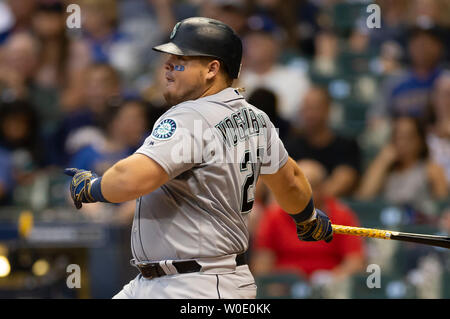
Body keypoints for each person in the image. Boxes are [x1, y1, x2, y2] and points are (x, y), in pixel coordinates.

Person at [64, 17, 333, 299]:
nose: (167, 65)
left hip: (192, 287)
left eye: (180, 59)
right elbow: (290, 181)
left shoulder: (190, 117)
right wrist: (307, 217)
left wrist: (91, 187)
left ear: (211, 69)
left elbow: (132, 179)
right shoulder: (256, 119)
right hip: (185, 281)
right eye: (168, 57)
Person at [252, 160, 364, 280]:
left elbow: (355, 262)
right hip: (286, 286)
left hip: (330, 286)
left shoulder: (342, 215)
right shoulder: (273, 215)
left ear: (323, 188)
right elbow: (262, 263)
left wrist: (332, 279)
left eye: (310, 186)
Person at [285, 86, 361, 197]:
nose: (309, 114)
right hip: (294, 207)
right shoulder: (290, 146)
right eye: (305, 108)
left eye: (314, 108)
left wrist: (312, 199)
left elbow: (344, 180)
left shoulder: (346, 145)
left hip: (331, 209)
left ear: (328, 109)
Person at [356, 117, 448, 207]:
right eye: (397, 137)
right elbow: (363, 199)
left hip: (421, 220)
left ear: (420, 141)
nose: (401, 143)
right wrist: (382, 162)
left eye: (407, 138)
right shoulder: (386, 170)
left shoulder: (431, 169)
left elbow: (442, 206)